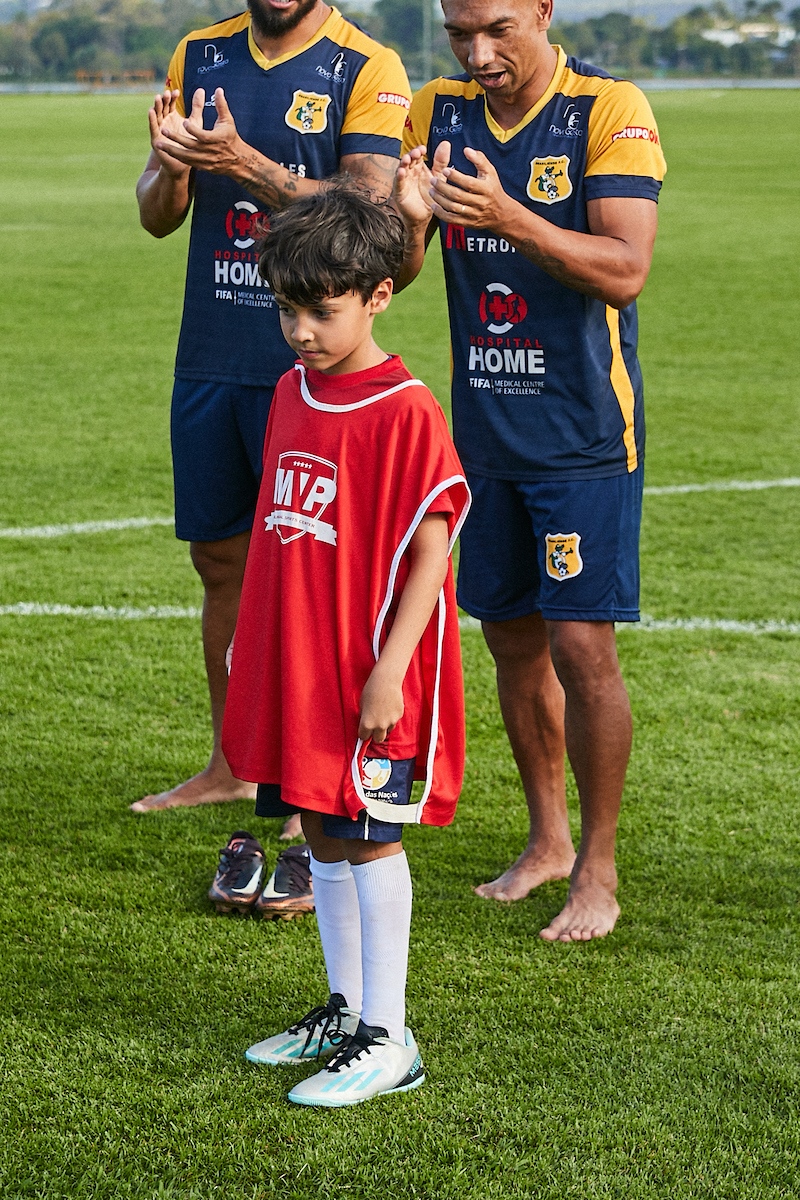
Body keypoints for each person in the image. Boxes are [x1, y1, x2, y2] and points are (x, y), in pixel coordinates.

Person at [393, 0, 666, 942]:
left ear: (544, 11)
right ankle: (546, 841)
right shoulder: (436, 111)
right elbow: (407, 261)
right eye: (459, 34)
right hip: (486, 431)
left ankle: (598, 868)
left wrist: (510, 216)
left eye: (499, 30)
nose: (478, 54)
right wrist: (408, 214)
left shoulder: (607, 108)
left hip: (585, 433)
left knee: (581, 648)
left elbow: (625, 267)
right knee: (508, 636)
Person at [221, 187, 470, 1106]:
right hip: (298, 659)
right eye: (287, 309)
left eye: (320, 311)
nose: (299, 330)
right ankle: (342, 1005)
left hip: (367, 667)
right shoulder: (292, 390)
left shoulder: (405, 410)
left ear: (377, 296)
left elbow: (435, 544)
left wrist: (391, 670)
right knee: (322, 829)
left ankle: (388, 1035)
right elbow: (278, 528)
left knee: (369, 839)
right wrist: (255, 638)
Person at [132, 0, 411, 815]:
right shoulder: (200, 52)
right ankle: (232, 764)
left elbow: (371, 213)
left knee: (313, 571)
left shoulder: (367, 65)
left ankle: (315, 771)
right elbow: (157, 216)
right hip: (212, 357)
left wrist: (244, 161)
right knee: (219, 564)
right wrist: (174, 165)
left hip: (314, 364)